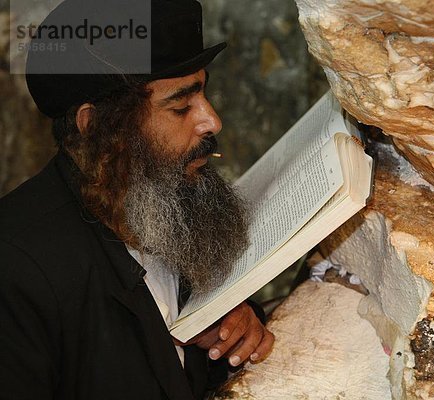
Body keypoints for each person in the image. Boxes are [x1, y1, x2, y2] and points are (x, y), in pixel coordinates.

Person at [0, 0, 274, 398]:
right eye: (181, 106)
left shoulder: (167, 197)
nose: (212, 121)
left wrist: (234, 326)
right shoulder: (15, 271)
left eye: (203, 94)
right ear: (97, 127)